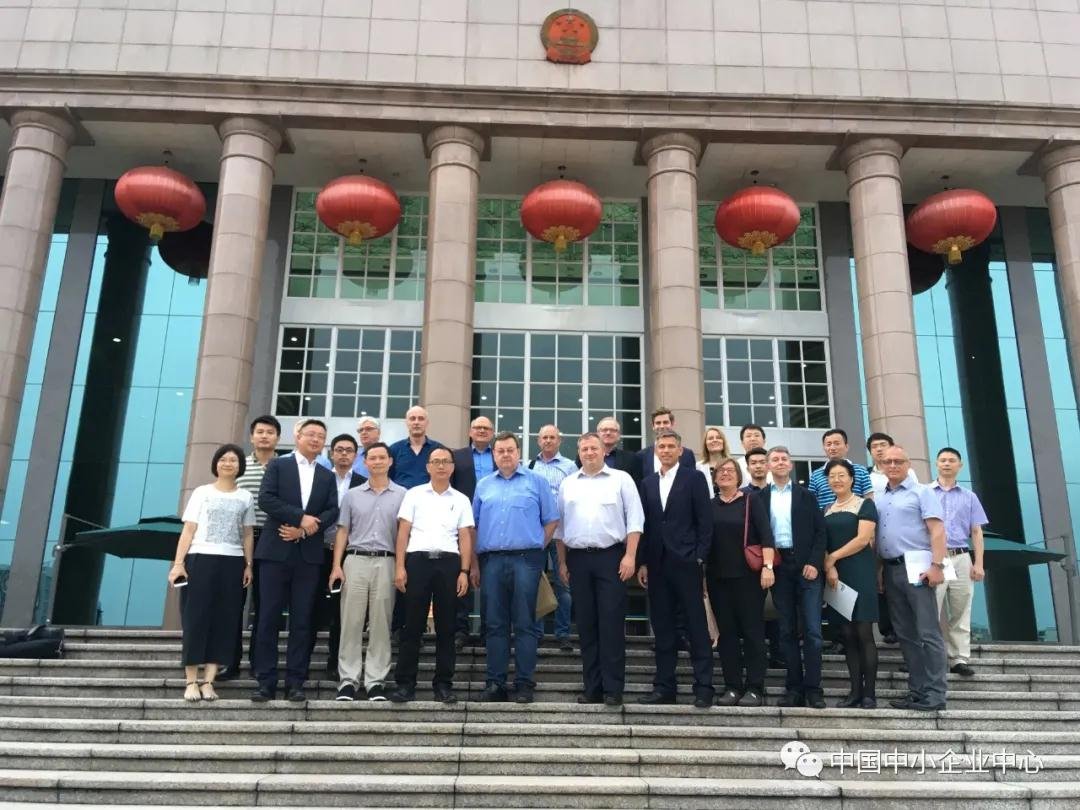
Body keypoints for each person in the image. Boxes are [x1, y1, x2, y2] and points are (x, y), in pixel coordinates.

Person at [251, 419, 339, 703]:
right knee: (268, 618)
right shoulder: (279, 465)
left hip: (308, 556)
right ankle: (265, 681)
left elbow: (332, 511)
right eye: (310, 434)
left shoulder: (327, 475)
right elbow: (266, 499)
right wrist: (299, 517)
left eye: (321, 436)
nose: (315, 439)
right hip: (274, 552)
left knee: (302, 621)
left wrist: (305, 530)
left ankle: (295, 682)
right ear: (298, 436)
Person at [556, 432, 644, 707]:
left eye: (593, 448)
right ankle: (592, 688)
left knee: (611, 623)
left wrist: (630, 556)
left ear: (604, 451)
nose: (589, 453)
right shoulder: (568, 483)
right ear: (579, 453)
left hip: (612, 558)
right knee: (586, 625)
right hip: (578, 560)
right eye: (584, 449)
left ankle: (613, 688)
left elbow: (635, 520)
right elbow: (560, 529)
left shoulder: (621, 479)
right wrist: (562, 563)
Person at [472, 431, 559, 703]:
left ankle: (524, 683)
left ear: (518, 452)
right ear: (494, 455)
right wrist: (474, 565)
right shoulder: (483, 485)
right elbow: (473, 526)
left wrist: (536, 545)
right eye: (500, 451)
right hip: (492, 561)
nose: (505, 455)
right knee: (495, 624)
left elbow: (551, 520)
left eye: (510, 450)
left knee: (525, 623)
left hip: (526, 560)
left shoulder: (537, 482)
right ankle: (495, 683)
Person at [169, 444, 255, 702]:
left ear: (240, 466)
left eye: (233, 460)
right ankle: (191, 681)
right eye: (223, 459)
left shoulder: (246, 497)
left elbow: (247, 533)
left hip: (233, 561)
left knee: (224, 620)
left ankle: (209, 681)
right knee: (195, 619)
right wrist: (178, 563)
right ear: (216, 463)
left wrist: (248, 564)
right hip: (200, 558)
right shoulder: (201, 492)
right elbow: (188, 530)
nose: (228, 463)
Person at [637, 429, 714, 708]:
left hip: (687, 562)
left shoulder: (694, 478)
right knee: (663, 627)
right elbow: (645, 525)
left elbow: (705, 521)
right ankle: (664, 687)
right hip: (657, 565)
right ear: (656, 450)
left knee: (696, 626)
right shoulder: (647, 483)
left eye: (671, 446)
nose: (666, 450)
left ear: (680, 450)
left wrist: (699, 557)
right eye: (662, 446)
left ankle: (703, 687)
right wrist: (643, 561)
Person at [390, 446, 474, 703]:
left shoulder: (461, 499)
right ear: (427, 467)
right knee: (412, 625)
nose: (441, 466)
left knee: (447, 628)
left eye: (445, 461)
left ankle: (443, 685)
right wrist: (400, 566)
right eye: (436, 461)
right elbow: (403, 532)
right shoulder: (414, 494)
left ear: (452, 467)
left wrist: (464, 571)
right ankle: (405, 684)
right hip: (417, 562)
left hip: (449, 564)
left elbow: (465, 536)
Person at [329, 442, 405, 702]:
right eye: (372, 458)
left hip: (387, 561)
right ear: (365, 462)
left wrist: (401, 566)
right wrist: (336, 566)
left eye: (382, 457)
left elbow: (404, 535)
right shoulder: (352, 495)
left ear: (390, 461)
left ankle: (375, 682)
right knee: (350, 622)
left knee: (381, 623)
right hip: (355, 560)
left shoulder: (403, 495)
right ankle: (348, 680)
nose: (377, 462)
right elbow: (342, 531)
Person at [877, 445, 948, 711]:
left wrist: (937, 565)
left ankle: (936, 694)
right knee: (905, 634)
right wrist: (879, 572)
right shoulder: (880, 498)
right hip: (891, 568)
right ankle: (917, 691)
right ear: (881, 466)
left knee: (928, 632)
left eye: (898, 461)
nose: (893, 465)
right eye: (888, 462)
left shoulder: (922, 492)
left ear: (908, 464)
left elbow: (937, 530)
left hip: (918, 567)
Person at [760, 446, 828, 709]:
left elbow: (820, 532)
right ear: (768, 466)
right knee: (786, 630)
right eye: (774, 459)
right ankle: (794, 688)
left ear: (790, 465)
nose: (779, 462)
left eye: (784, 459)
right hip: (778, 567)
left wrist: (814, 562)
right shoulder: (760, 498)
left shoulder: (806, 495)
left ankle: (814, 688)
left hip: (806, 566)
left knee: (812, 631)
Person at [707, 458, 774, 707]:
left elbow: (766, 534)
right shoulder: (709, 505)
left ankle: (755, 687)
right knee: (727, 635)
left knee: (752, 632)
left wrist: (768, 566)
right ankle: (732, 686)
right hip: (717, 579)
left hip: (748, 578)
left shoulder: (751, 500)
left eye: (730, 470)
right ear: (715, 478)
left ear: (738, 476)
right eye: (720, 471)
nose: (725, 474)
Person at [221, 415, 280, 681]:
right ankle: (229, 661)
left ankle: (259, 662)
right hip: (239, 541)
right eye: (260, 432)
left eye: (270, 432)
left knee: (265, 605)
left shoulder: (284, 467)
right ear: (251, 436)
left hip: (272, 540)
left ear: (278, 437)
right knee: (233, 603)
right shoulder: (239, 466)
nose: (264, 436)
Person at [821, 459, 880, 708]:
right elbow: (822, 542)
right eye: (832, 476)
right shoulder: (826, 508)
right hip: (836, 576)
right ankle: (854, 692)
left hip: (860, 572)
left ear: (852, 479)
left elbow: (863, 539)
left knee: (863, 632)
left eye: (841, 475)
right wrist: (830, 565)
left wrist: (833, 557)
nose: (837, 480)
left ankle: (869, 694)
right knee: (846, 634)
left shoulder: (865, 504)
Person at [311, 434, 366, 682]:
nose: (344, 454)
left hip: (348, 553)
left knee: (342, 611)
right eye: (339, 449)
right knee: (311, 605)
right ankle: (304, 660)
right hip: (318, 549)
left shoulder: (363, 483)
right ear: (331, 453)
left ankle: (335, 661)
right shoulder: (319, 478)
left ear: (356, 455)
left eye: (349, 450)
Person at [930, 447, 988, 677]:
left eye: (951, 460)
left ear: (959, 465)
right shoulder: (925, 493)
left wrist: (979, 563)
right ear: (936, 464)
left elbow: (976, 531)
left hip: (961, 556)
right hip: (936, 558)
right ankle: (930, 657)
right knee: (930, 609)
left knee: (961, 609)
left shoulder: (969, 496)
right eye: (943, 460)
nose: (946, 463)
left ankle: (959, 658)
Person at [528, 424, 577, 652]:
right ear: (538, 441)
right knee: (535, 583)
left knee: (563, 585)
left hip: (562, 536)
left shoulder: (570, 466)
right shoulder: (530, 467)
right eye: (544, 437)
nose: (548, 440)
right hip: (536, 534)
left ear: (560, 440)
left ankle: (563, 633)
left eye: (552, 437)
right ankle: (537, 633)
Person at [450, 416, 495, 650]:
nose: (481, 431)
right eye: (477, 427)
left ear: (492, 432)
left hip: (494, 523)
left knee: (491, 581)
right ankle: (461, 629)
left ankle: (489, 630)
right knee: (463, 575)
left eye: (486, 428)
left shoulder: (500, 455)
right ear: (469, 431)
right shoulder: (456, 456)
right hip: (462, 524)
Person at [865, 432, 912, 644]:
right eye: (874, 446)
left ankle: (903, 629)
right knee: (879, 580)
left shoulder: (908, 474)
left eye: (883, 444)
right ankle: (887, 628)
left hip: (899, 534)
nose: (879, 449)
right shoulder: (865, 475)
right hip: (873, 531)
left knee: (899, 580)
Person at [808, 429, 874, 509]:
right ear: (824, 448)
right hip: (826, 516)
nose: (832, 448)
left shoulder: (861, 471)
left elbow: (869, 500)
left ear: (846, 447)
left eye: (837, 443)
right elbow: (810, 503)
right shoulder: (816, 475)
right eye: (828, 444)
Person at [388, 405, 444, 489]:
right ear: (406, 422)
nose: (416, 422)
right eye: (412, 419)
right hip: (402, 496)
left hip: (430, 496)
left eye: (421, 419)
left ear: (427, 423)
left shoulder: (439, 450)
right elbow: (388, 478)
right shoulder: (394, 450)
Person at [637, 407, 696, 479]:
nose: (662, 426)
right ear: (653, 426)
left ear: (672, 424)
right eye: (658, 423)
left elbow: (692, 480)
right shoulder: (641, 456)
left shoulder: (687, 455)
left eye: (665, 422)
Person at [315, 416, 381, 477]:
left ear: (378, 432)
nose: (363, 432)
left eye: (368, 429)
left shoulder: (385, 455)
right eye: (361, 430)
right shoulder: (354, 457)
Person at [592, 416, 643, 485]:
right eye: (604, 430)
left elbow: (636, 485)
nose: (608, 433)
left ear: (619, 435)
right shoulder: (586, 457)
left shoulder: (631, 458)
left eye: (613, 430)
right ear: (597, 434)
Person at [695, 426, 731, 498]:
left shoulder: (734, 465)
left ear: (723, 442)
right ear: (705, 444)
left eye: (718, 437)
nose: (715, 440)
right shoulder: (697, 467)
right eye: (710, 438)